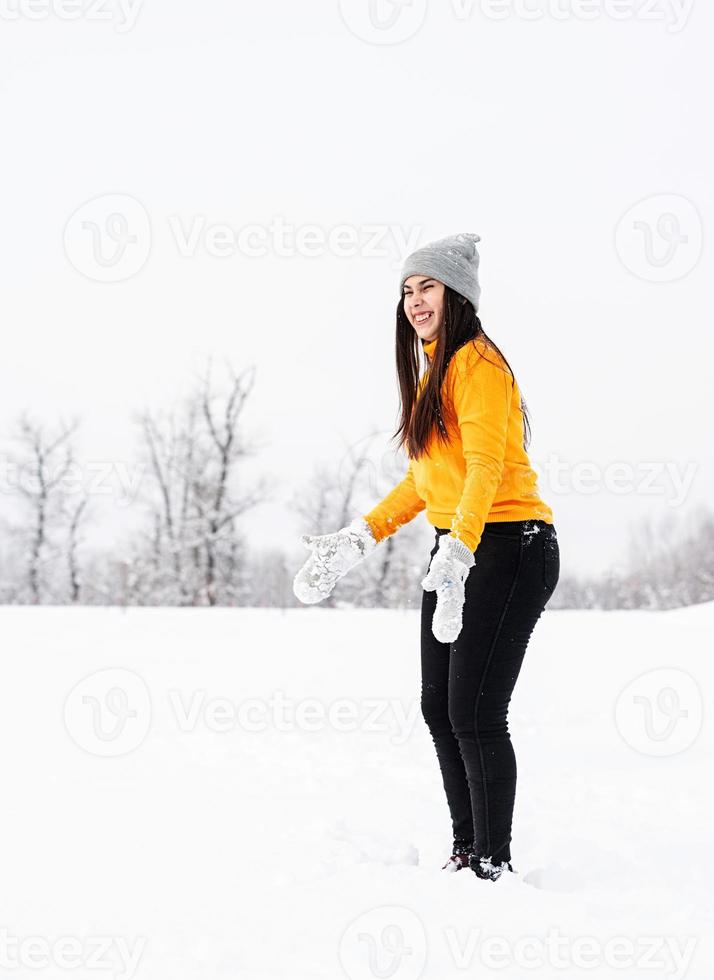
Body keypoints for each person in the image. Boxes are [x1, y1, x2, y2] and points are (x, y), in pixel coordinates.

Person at [293, 233, 560, 882]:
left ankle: (491, 864)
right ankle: (466, 848)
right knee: (438, 706)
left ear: (457, 294)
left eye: (427, 287)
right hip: (461, 546)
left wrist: (460, 547)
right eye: (407, 290)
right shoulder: (433, 373)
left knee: (474, 712)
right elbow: (426, 480)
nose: (414, 301)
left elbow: (485, 468)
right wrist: (361, 535)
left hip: (509, 546)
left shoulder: (479, 366)